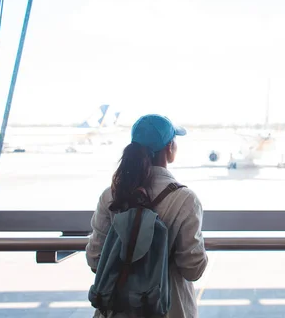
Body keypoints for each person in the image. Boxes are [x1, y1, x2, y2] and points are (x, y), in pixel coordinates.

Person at [85, 114, 208, 318]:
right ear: (169, 148)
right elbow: (192, 269)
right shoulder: (184, 199)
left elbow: (95, 259)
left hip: (116, 309)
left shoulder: (111, 195)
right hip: (168, 310)